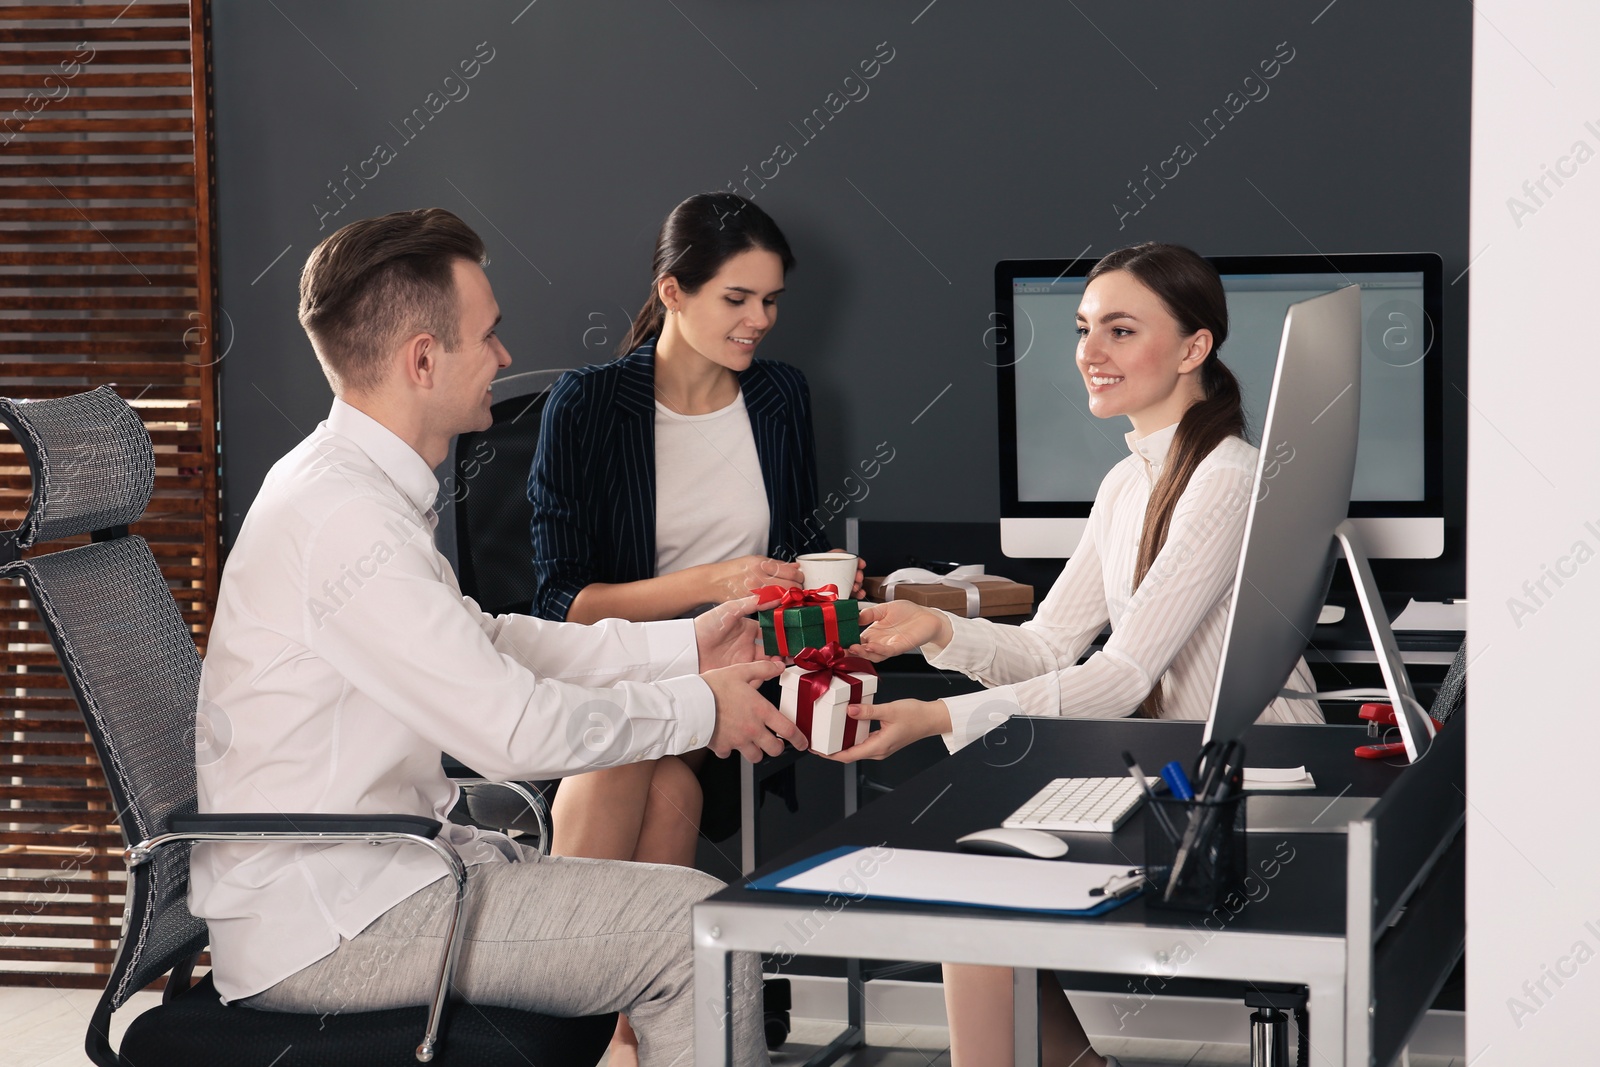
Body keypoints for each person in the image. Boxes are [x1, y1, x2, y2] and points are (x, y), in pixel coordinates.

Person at [188, 207, 803, 1067]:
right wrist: (700, 710)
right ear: (423, 359)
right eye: (489, 336)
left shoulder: (350, 487)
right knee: (699, 927)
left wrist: (687, 647)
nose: (506, 358)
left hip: (385, 881)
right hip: (337, 923)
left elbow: (492, 641)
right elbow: (512, 732)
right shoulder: (347, 521)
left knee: (691, 908)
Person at [828, 243, 1324, 1067]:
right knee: (975, 888)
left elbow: (1120, 677)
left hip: (1255, 781)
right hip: (1173, 773)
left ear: (1195, 348)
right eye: (1085, 328)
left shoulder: (1228, 476)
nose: (1090, 353)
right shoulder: (1126, 482)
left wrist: (935, 717)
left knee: (976, 890)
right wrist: (937, 631)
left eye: (1121, 330)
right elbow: (1050, 644)